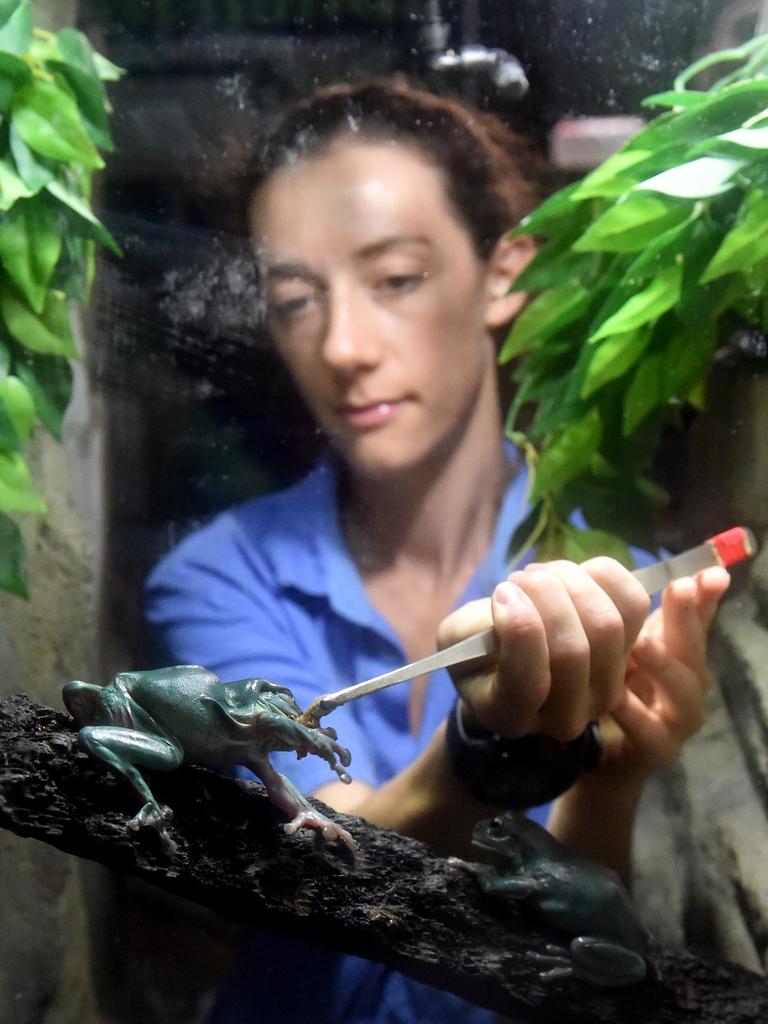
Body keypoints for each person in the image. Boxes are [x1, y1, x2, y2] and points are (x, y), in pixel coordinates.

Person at [145, 79, 730, 1023]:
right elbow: (308, 859)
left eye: (397, 279)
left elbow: (569, 956)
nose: (342, 345)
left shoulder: (605, 573)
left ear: (505, 274)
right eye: (296, 299)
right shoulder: (217, 576)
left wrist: (609, 776)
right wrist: (487, 755)